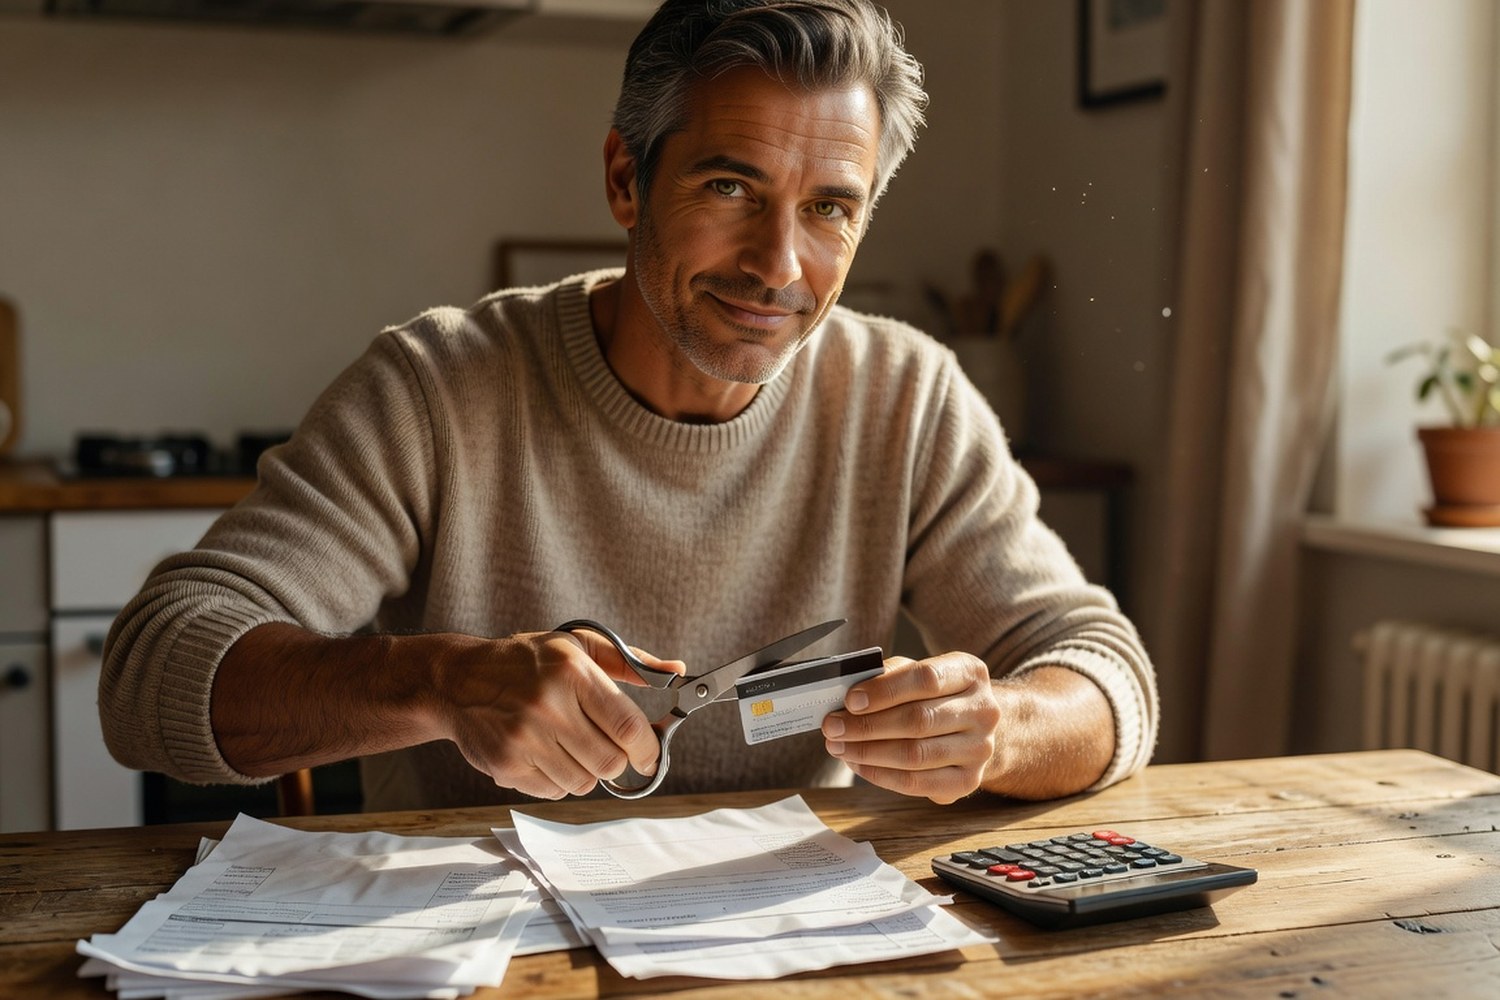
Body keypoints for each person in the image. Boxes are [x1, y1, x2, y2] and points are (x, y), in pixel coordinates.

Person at [100, 0, 1158, 812]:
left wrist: (1003, 727)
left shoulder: (907, 396)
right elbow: (150, 673)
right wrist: (438, 679)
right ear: (624, 178)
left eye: (830, 208)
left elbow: (1106, 677)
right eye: (729, 188)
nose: (778, 265)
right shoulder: (435, 387)